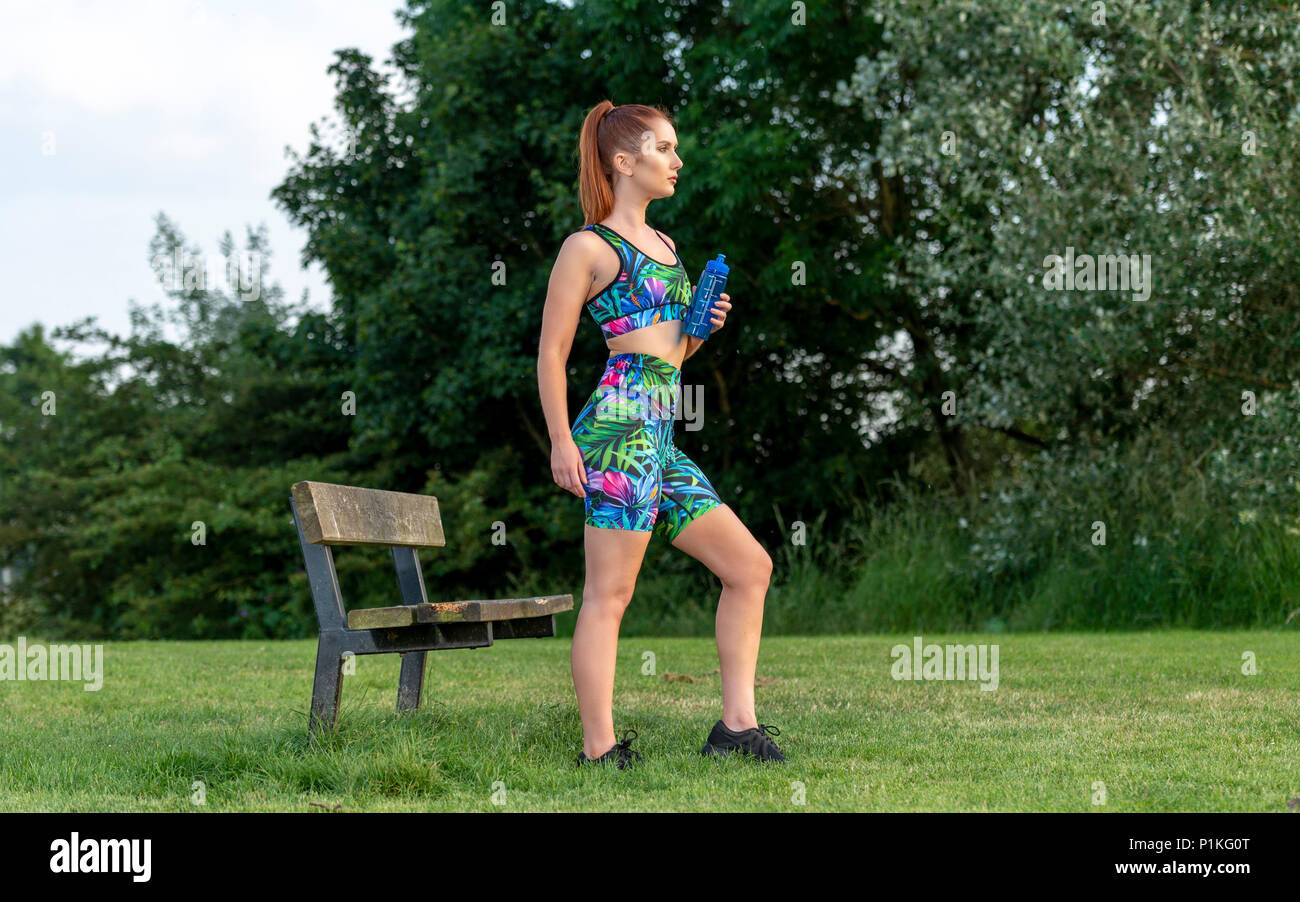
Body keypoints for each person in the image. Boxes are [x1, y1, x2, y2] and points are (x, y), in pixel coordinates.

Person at [536, 100, 785, 769]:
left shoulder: (669, 248)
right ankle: (600, 750)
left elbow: (670, 357)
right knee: (610, 595)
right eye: (665, 148)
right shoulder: (589, 247)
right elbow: (550, 355)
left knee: (749, 567)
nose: (677, 161)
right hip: (617, 431)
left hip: (658, 435)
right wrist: (562, 442)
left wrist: (701, 331)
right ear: (625, 160)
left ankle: (736, 729)